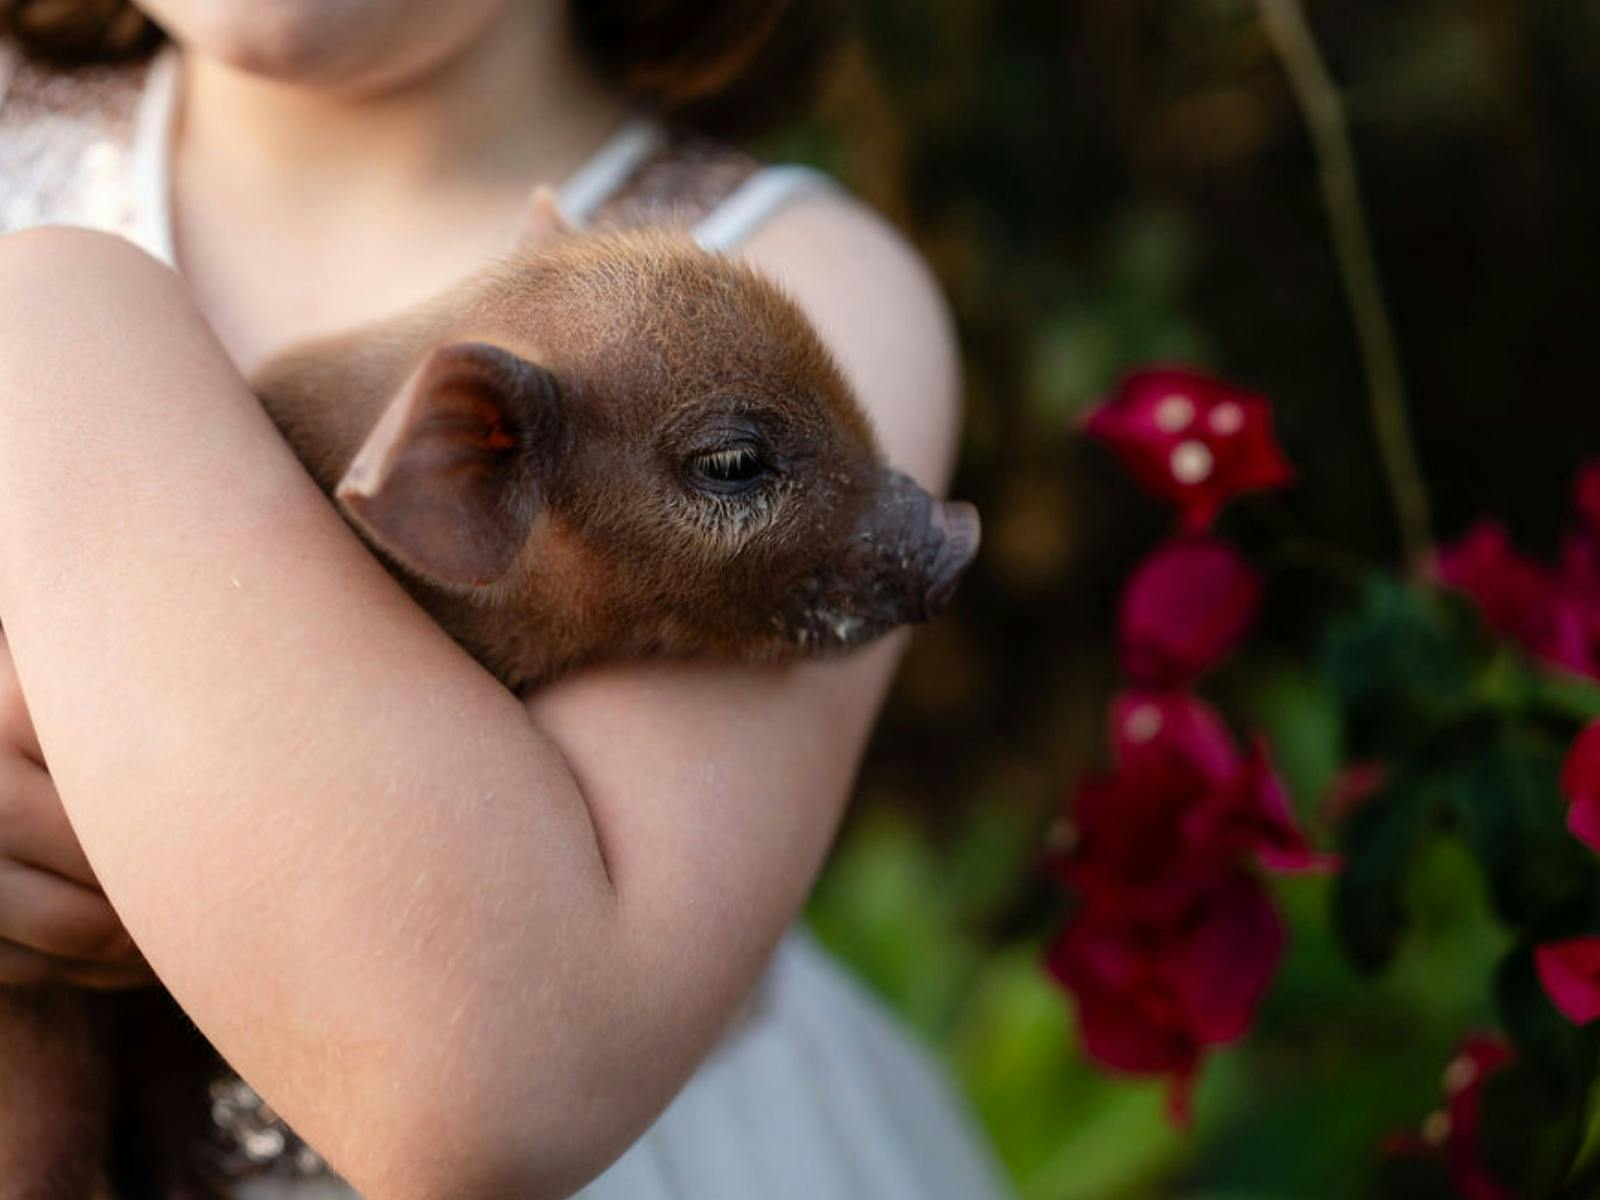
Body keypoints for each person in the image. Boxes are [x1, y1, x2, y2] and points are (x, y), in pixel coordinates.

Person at [0, 1, 1009, 1196]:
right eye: (736, 468)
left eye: (727, 468)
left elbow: (492, 1082)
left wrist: (53, 330)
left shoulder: (804, 275)